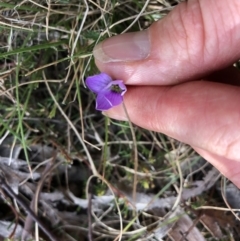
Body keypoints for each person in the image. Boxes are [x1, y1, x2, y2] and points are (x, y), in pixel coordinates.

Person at [92, 0, 240, 188]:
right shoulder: (112, 89)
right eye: (115, 89)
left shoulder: (119, 84)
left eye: (115, 88)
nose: (115, 89)